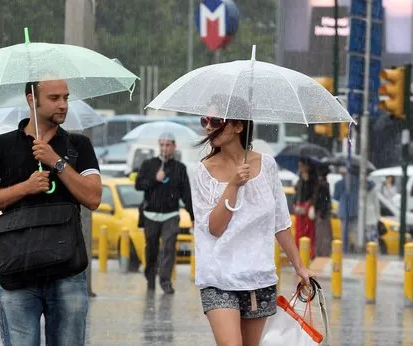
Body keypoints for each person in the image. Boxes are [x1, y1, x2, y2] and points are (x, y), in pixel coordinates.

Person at [0, 78, 102, 346]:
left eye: (66, 97)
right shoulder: (0, 146)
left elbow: (93, 197)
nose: (63, 105)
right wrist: (25, 188)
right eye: (54, 98)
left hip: (67, 269)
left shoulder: (80, 145)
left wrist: (56, 161)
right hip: (17, 269)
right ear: (32, 99)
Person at [191, 96, 314, 346]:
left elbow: (280, 223)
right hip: (218, 278)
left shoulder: (266, 165)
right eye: (205, 120)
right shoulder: (202, 172)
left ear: (239, 126)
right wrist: (234, 185)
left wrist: (300, 267)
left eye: (216, 121)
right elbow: (214, 228)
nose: (207, 127)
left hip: (258, 276)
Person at [135, 131, 194, 295]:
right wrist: (155, 179)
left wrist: (193, 216)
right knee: (151, 249)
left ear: (174, 147)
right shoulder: (148, 164)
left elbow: (186, 194)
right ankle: (150, 276)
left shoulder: (179, 168)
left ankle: (165, 281)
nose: (164, 148)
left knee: (168, 248)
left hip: (170, 215)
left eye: (168, 145)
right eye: (162, 145)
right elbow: (138, 185)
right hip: (150, 215)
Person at [293, 158, 317, 259]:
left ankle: (309, 253)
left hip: (307, 208)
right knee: (299, 231)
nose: (300, 168)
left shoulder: (312, 180)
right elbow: (296, 195)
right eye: (299, 166)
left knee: (308, 232)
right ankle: (298, 253)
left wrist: (307, 182)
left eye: (302, 166)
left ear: (307, 167)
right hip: (299, 208)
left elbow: (314, 195)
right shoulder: (299, 179)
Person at [333, 167, 359, 253]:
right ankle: (357, 248)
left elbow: (335, 197)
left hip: (344, 210)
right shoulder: (357, 181)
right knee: (355, 231)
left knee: (344, 232)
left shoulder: (339, 183)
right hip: (355, 210)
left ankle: (345, 249)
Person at [314, 164, 333, 257]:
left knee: (320, 234)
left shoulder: (319, 184)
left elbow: (319, 200)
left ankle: (320, 252)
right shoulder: (324, 184)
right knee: (324, 235)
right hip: (323, 213)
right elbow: (324, 201)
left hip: (321, 213)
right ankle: (323, 252)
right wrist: (323, 212)